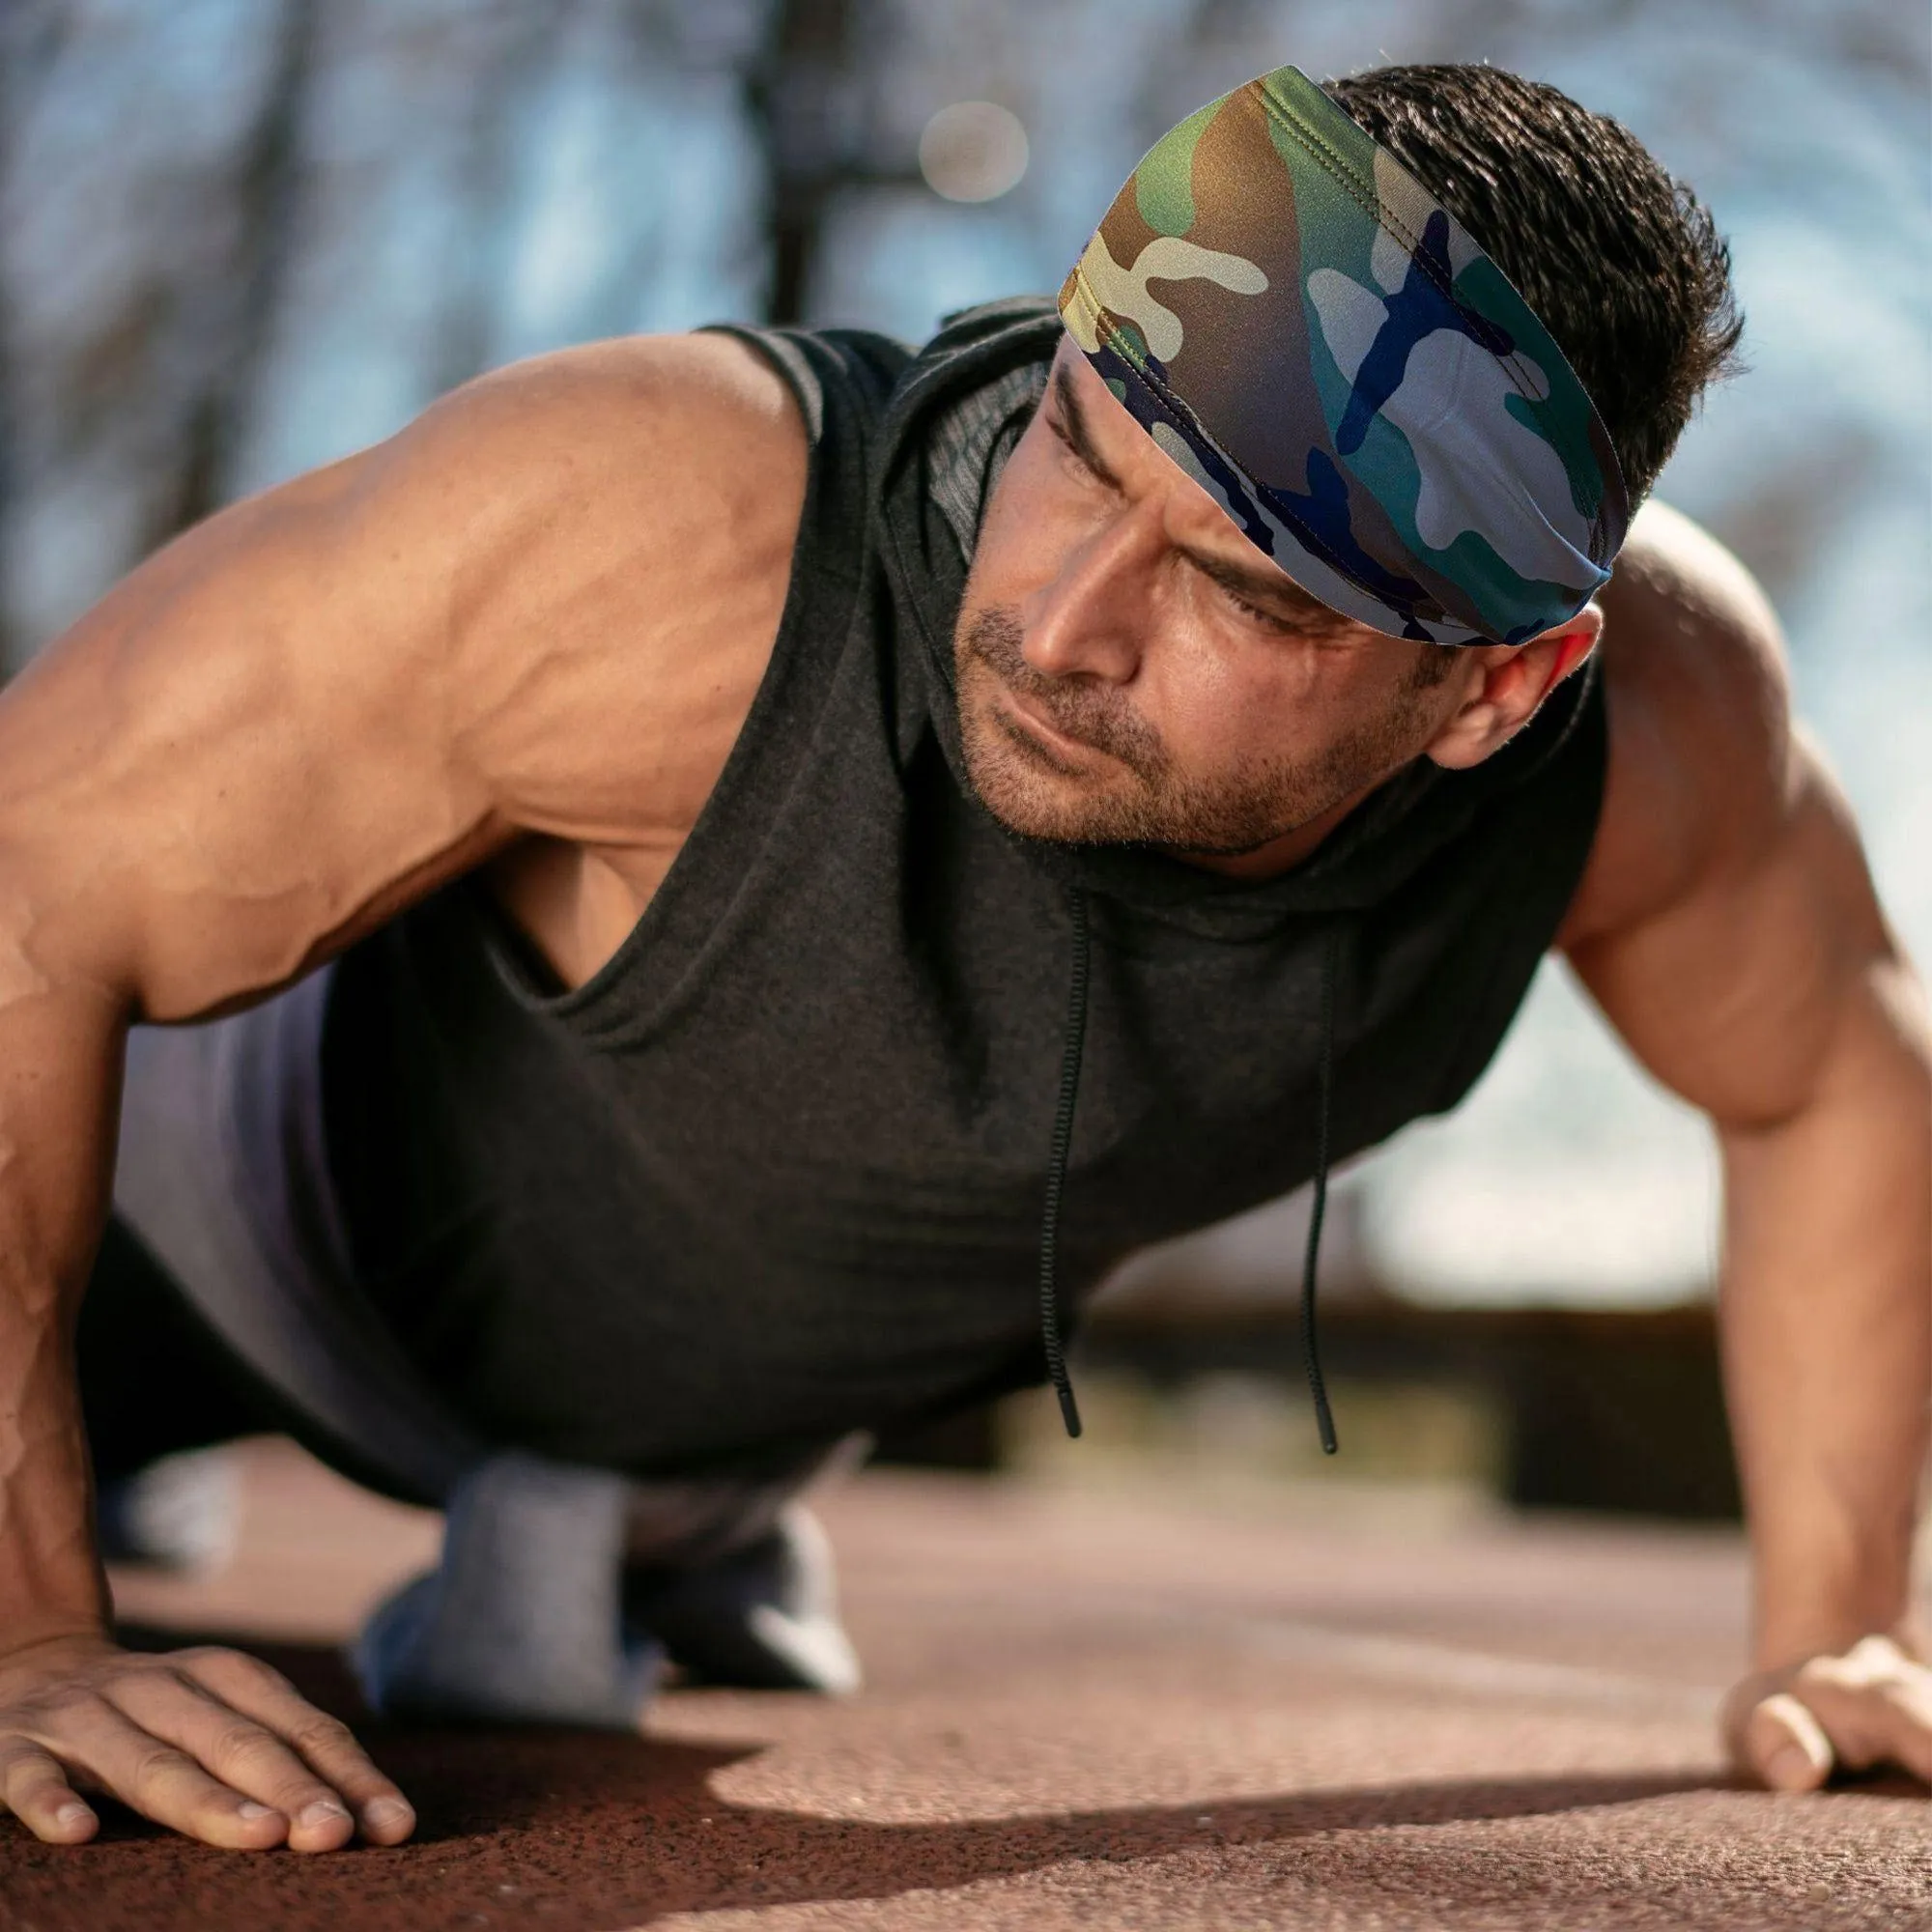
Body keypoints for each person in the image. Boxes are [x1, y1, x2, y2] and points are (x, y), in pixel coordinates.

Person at [0, 59, 1925, 1856]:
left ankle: (645, 1514)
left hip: (693, 1428)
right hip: (206, 1235)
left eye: (1246, 587)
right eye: (1080, 452)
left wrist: (1833, 1626)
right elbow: (34, 866)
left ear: (1496, 685)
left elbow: (1834, 1067)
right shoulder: (660, 528)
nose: (1060, 620)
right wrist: (27, 1628)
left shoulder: (1657, 732)